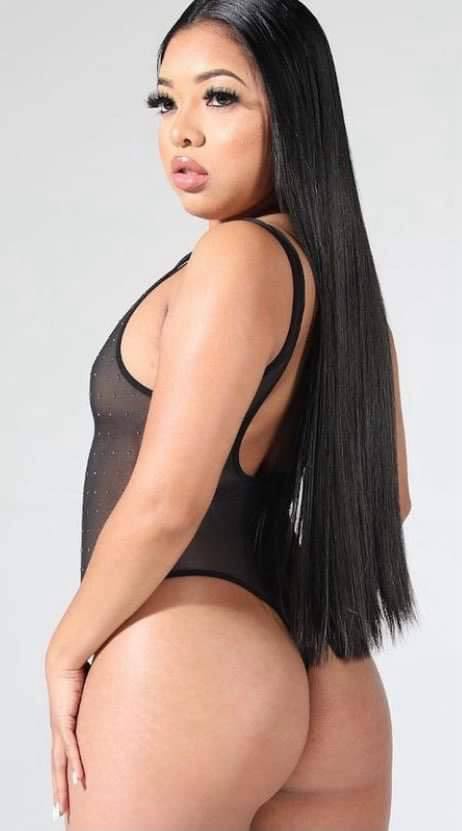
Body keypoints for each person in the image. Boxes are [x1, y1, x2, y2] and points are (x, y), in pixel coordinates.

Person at [44, 2, 418, 829]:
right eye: (165, 100)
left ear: (292, 111)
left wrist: (67, 648)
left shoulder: (236, 255)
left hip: (189, 668)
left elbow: (166, 501)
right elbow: (388, 499)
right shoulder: (347, 290)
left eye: (219, 97)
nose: (182, 131)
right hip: (331, 678)